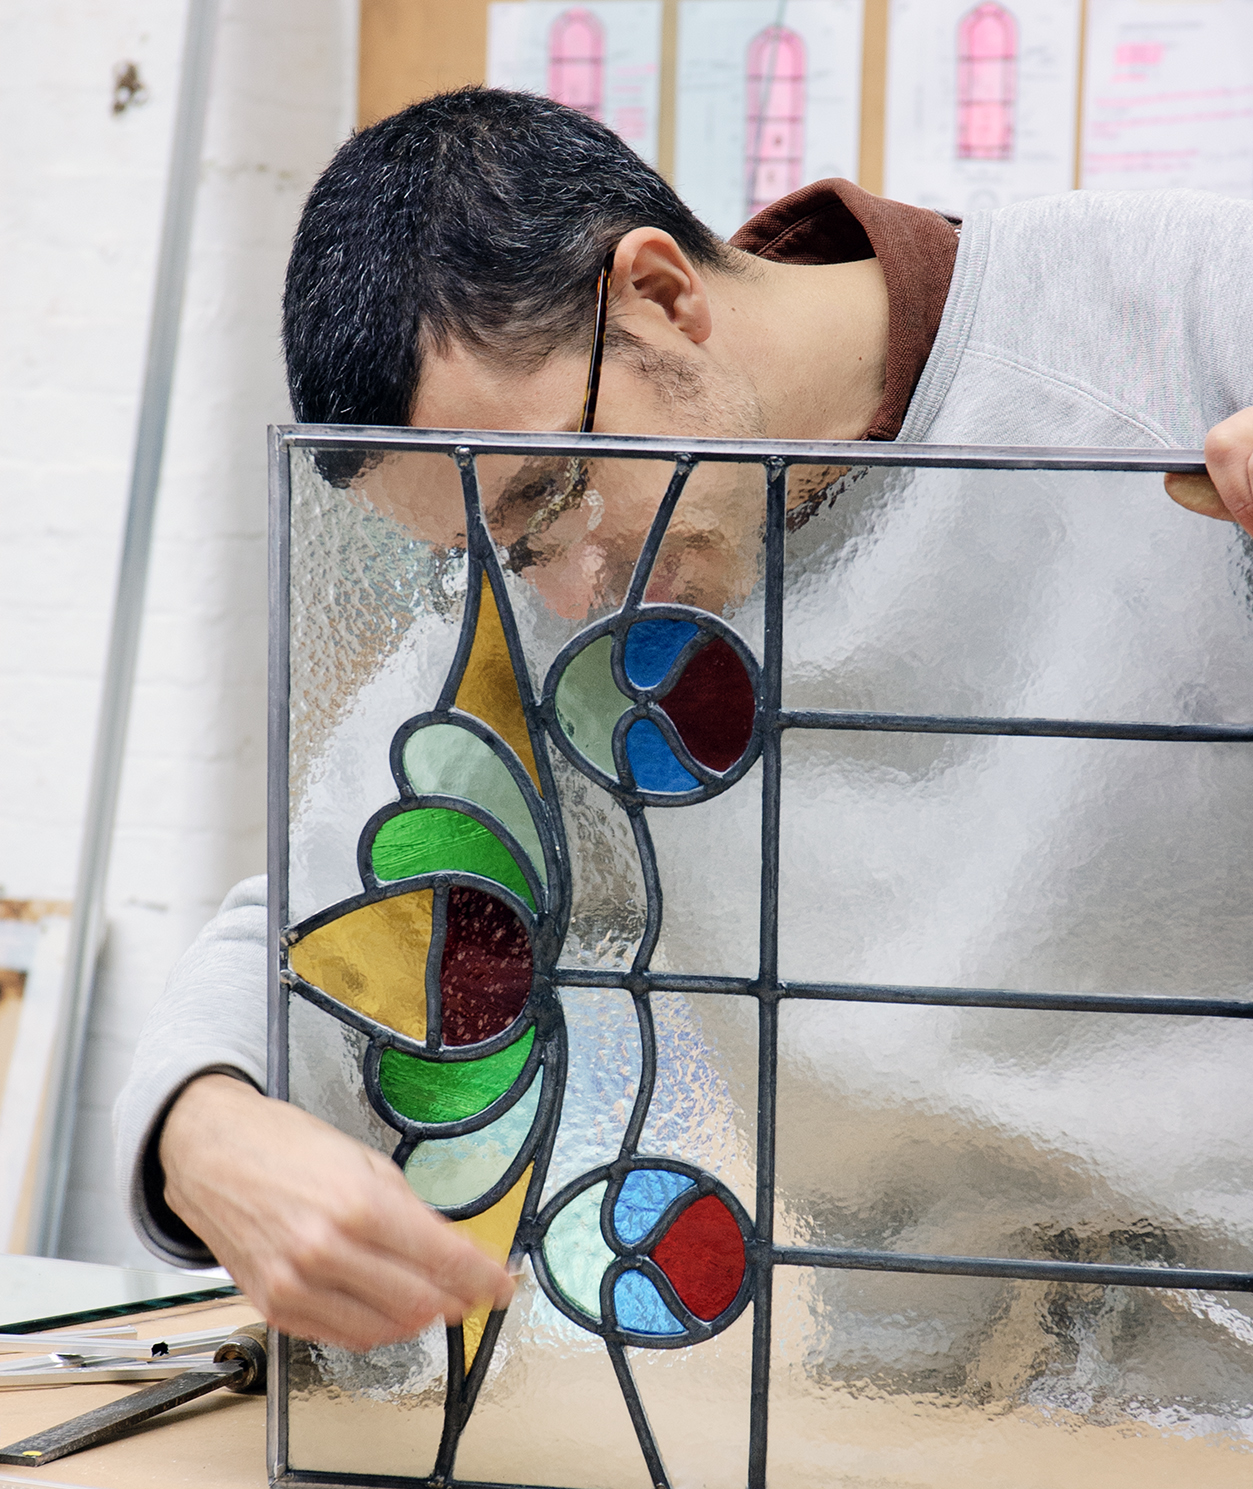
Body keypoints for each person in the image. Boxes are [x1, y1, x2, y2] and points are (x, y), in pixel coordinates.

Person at [116, 85, 1253, 1355]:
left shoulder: (1190, 310)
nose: (564, 589)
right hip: (918, 1437)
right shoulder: (565, 614)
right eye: (486, 559)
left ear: (660, 297)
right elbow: (326, 921)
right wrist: (202, 1126)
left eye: (552, 496)